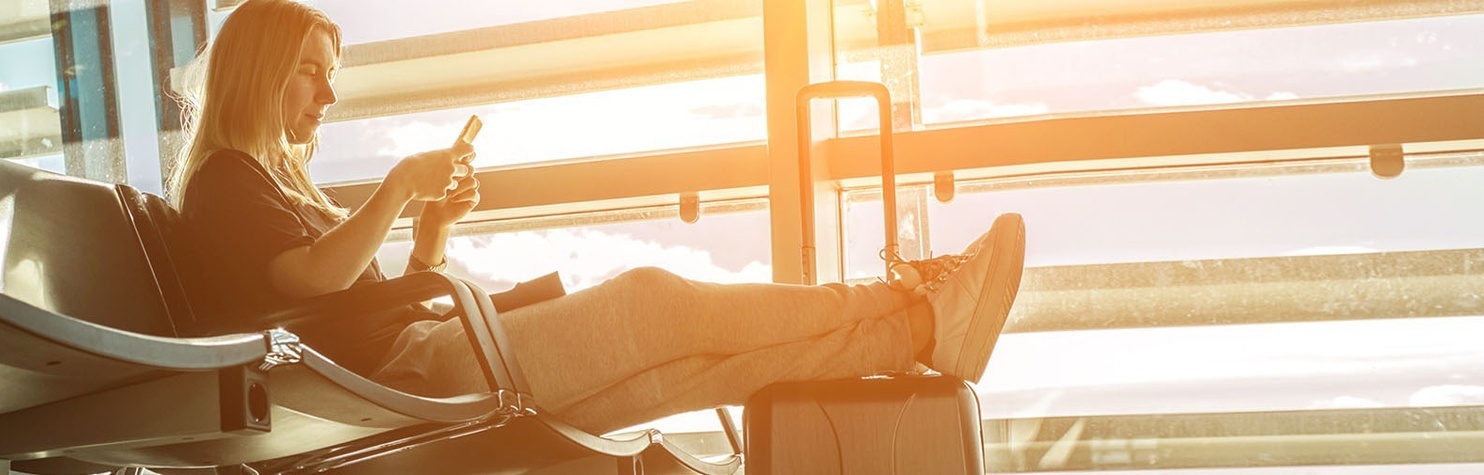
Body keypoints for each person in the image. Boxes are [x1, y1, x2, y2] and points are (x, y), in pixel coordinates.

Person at [168, 0, 1025, 435]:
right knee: (657, 300)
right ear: (262, 72)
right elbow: (306, 288)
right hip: (414, 377)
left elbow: (347, 297)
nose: (329, 91)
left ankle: (915, 322)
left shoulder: (273, 184)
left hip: (420, 355)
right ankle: (900, 295)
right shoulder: (226, 183)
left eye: (329, 73)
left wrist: (429, 230)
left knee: (695, 371)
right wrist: (396, 184)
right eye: (312, 71)